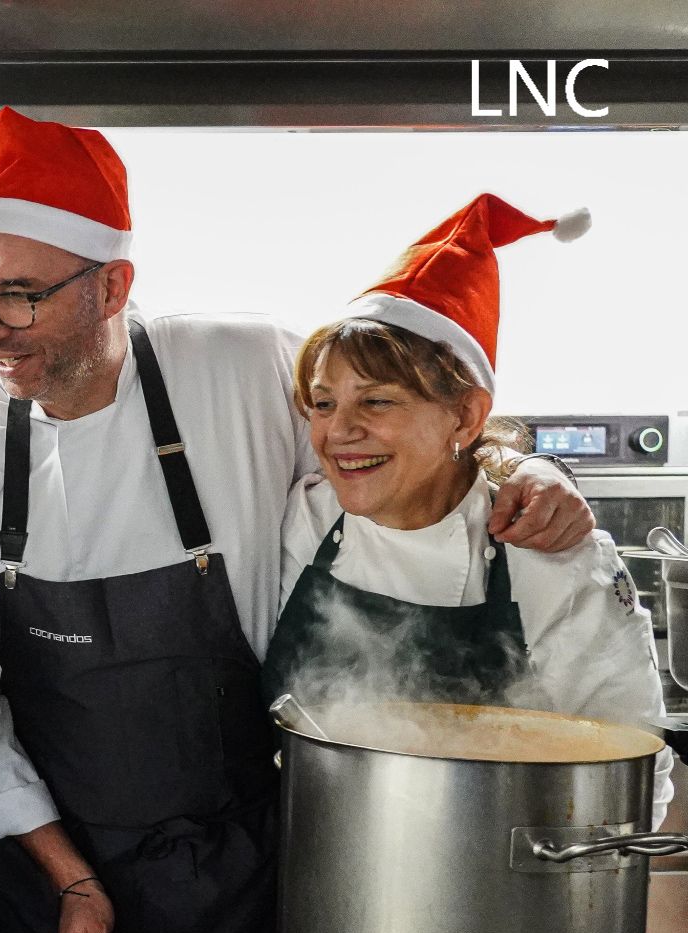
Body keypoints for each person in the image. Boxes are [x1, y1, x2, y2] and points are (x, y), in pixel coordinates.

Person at [0, 108, 596, 933]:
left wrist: (531, 475)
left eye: (20, 296)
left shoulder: (242, 366)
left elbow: (403, 446)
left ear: (112, 290)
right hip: (38, 880)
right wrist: (69, 878)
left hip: (234, 882)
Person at [263, 194, 674, 828]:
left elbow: (632, 770)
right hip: (315, 868)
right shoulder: (304, 518)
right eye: (322, 404)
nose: (338, 431)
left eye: (376, 402)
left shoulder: (548, 553)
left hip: (496, 879)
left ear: (465, 415)